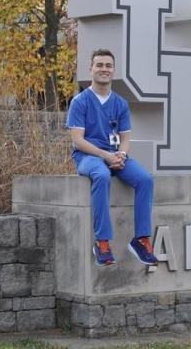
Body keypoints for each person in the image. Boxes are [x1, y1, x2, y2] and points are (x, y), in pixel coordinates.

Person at [66, 48, 158, 267]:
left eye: (108, 65)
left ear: (113, 70)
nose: (104, 69)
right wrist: (105, 156)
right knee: (101, 176)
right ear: (90, 69)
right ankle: (102, 242)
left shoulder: (120, 103)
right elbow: (78, 140)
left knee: (145, 179)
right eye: (99, 65)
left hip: (115, 156)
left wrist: (122, 155)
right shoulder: (80, 102)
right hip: (89, 156)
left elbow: (126, 138)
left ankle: (141, 239)